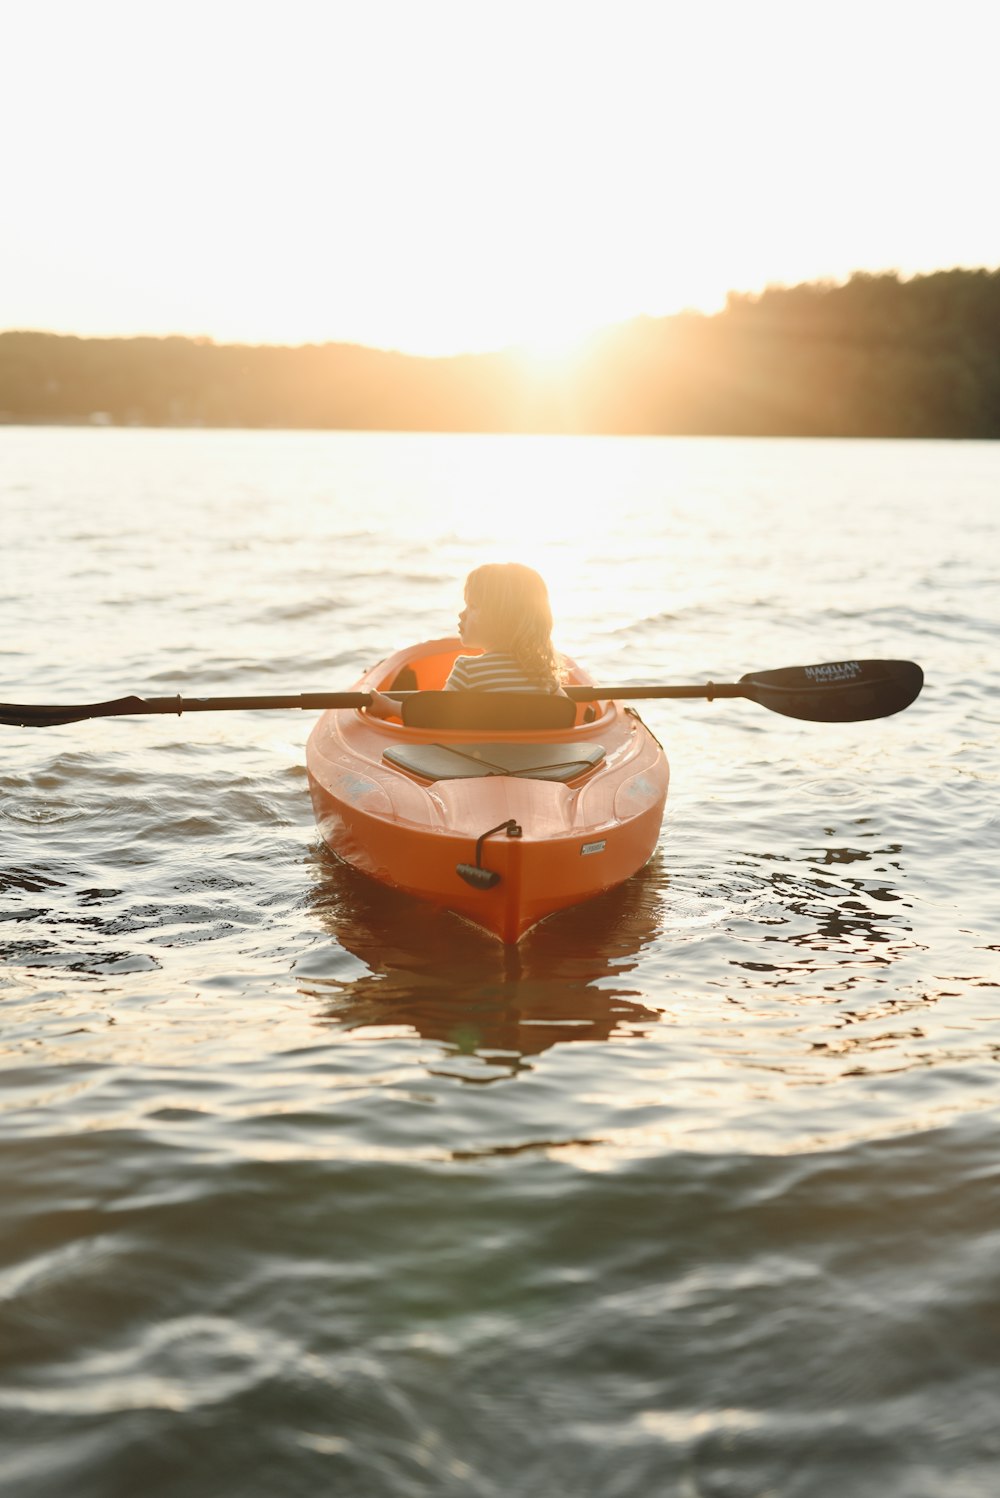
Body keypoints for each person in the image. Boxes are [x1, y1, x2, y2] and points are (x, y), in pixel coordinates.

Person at [366, 562, 564, 718]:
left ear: (501, 618)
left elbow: (434, 716)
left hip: (475, 760)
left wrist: (389, 707)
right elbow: (566, 712)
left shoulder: (468, 670)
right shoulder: (542, 672)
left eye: (473, 606)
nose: (462, 614)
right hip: (536, 762)